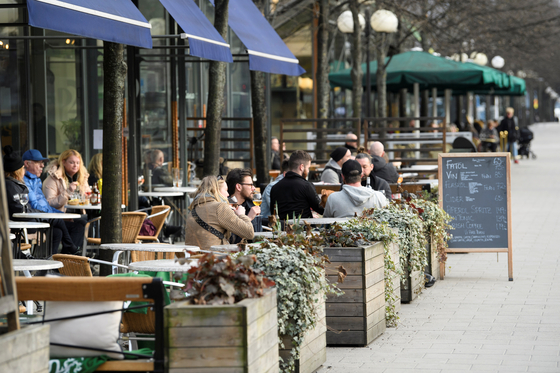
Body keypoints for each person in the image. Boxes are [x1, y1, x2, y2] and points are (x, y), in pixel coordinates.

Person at [5, 146, 80, 255]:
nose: (42, 165)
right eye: (38, 162)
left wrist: (58, 214)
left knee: (58, 231)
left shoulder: (34, 181)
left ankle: (51, 265)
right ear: (22, 167)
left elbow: (43, 206)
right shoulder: (17, 184)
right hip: (25, 222)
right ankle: (71, 249)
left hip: (32, 217)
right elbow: (27, 207)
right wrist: (51, 214)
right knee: (67, 223)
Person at [184, 176, 254, 250]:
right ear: (216, 190)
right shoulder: (220, 207)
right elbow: (249, 233)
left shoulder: (193, 209)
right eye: (226, 190)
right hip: (214, 258)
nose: (228, 194)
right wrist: (241, 215)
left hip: (194, 257)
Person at [270, 150, 324, 220]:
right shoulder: (306, 186)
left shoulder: (275, 188)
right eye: (308, 168)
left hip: (283, 229)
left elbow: (273, 212)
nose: (308, 171)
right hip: (304, 229)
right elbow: (321, 209)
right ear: (301, 167)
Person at [323, 160, 388, 218]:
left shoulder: (333, 198)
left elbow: (326, 223)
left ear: (342, 176)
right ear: (361, 175)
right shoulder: (379, 197)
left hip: (343, 231)